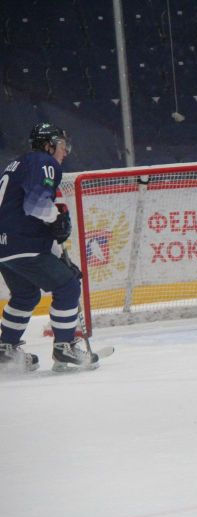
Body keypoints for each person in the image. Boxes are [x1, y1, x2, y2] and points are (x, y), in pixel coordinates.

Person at [0, 123, 99, 372]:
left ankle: (5, 349)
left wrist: (58, 253)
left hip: (5, 246)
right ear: (48, 145)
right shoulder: (44, 162)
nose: (65, 151)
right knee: (67, 286)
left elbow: (24, 210)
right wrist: (57, 218)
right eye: (62, 145)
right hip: (22, 243)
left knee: (25, 295)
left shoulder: (18, 163)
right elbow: (35, 205)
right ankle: (64, 347)